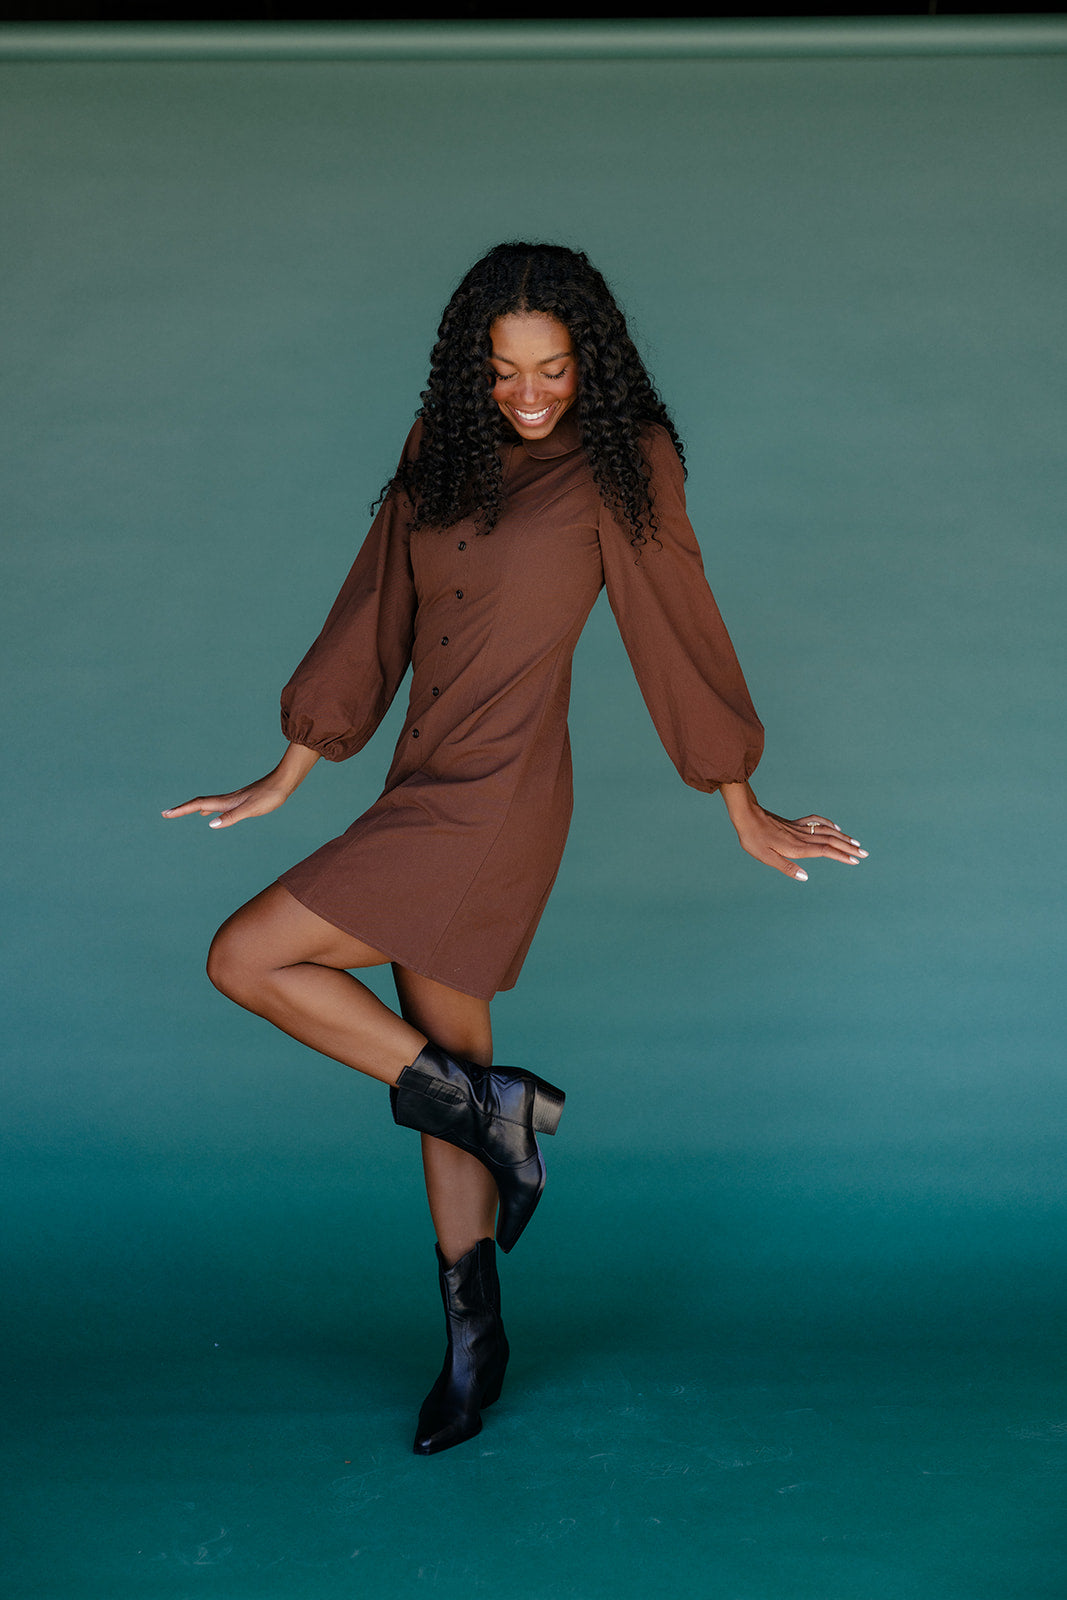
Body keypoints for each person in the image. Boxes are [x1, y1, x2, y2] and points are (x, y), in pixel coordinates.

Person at [163, 242, 866, 1456]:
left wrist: (736, 794)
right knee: (438, 1060)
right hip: (420, 778)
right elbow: (373, 603)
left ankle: (499, 1113)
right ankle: (473, 1340)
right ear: (466, 368)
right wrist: (291, 769)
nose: (528, 394)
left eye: (550, 369)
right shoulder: (435, 447)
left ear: (588, 360)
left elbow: (674, 621)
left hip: (498, 802)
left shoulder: (621, 462)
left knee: (246, 957)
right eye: (502, 371)